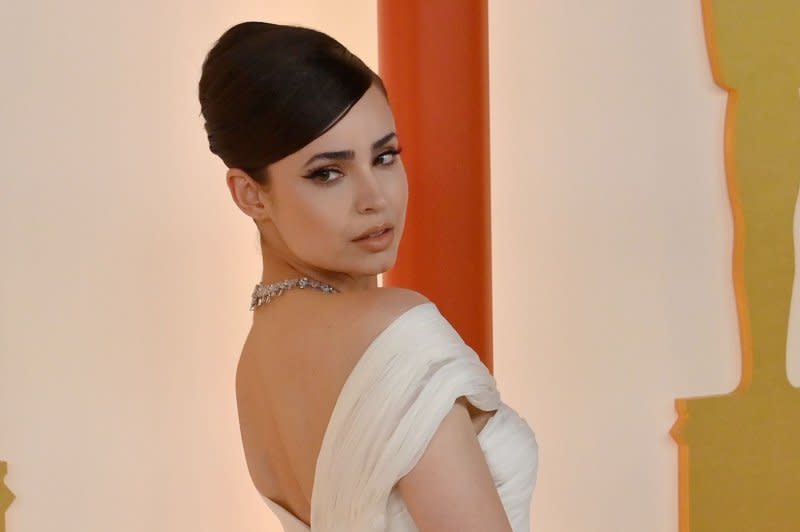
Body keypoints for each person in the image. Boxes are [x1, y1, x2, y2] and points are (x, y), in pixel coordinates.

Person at [198, 21, 538, 531]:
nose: (374, 197)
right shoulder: (394, 330)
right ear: (250, 194)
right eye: (327, 173)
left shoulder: (255, 365)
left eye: (384, 157)